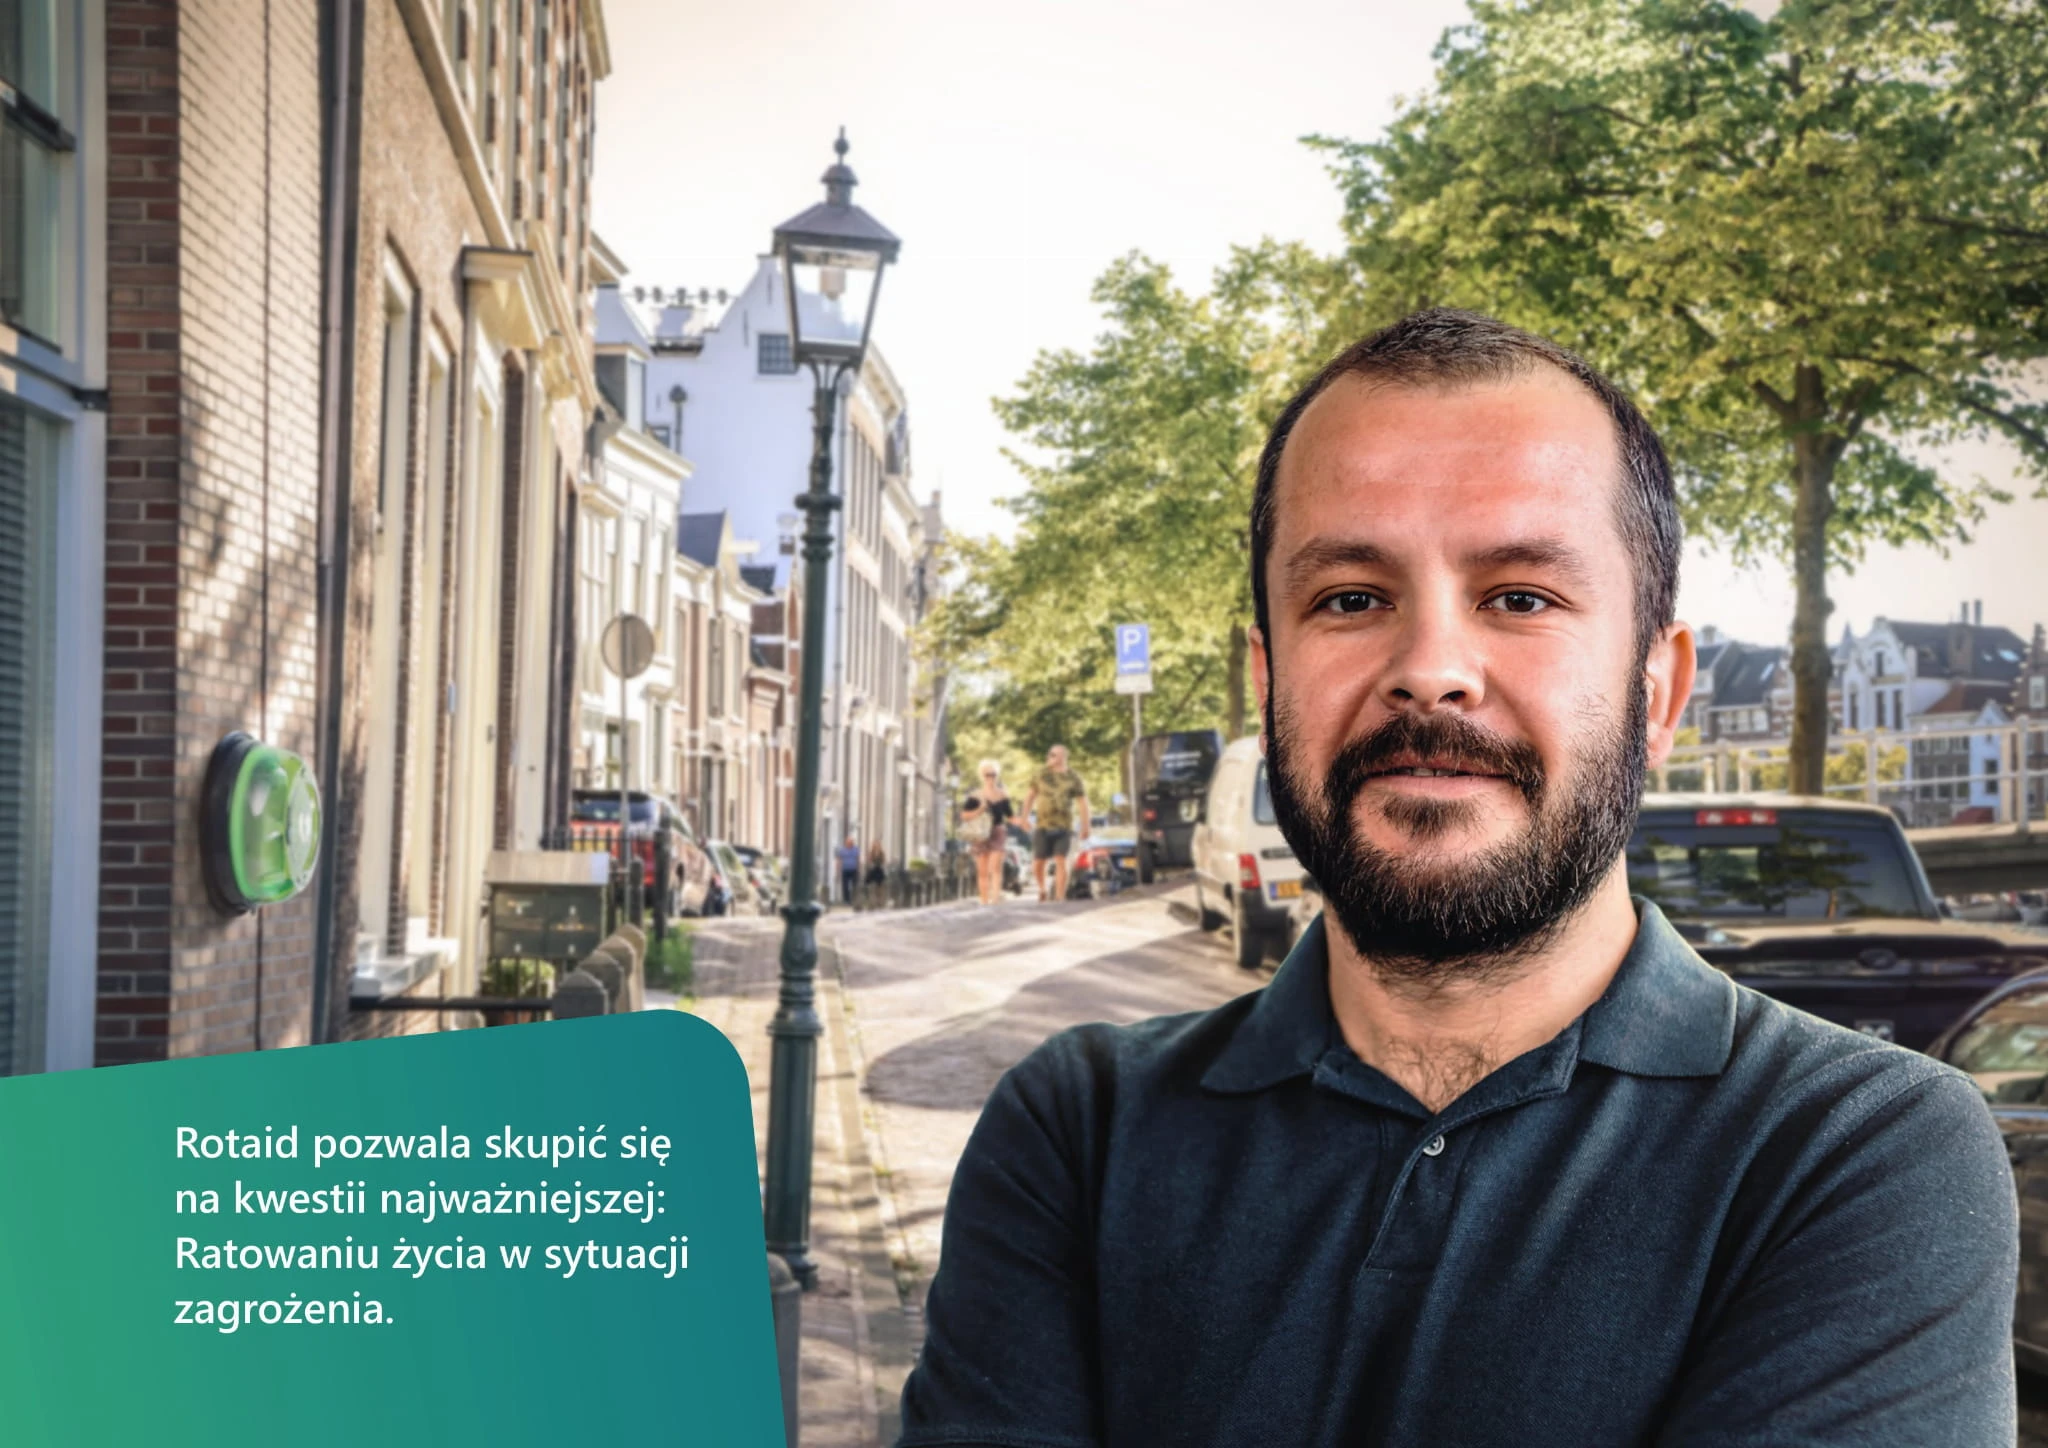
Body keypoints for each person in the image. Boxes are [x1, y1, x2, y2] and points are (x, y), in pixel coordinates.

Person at [898, 310, 2017, 1446]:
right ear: (1269, 679)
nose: (1429, 671)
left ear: (1659, 692)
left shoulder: (1856, 1151)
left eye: (1520, 596)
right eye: (1349, 598)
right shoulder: (1079, 1132)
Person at [1021, 744, 1090, 903]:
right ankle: (1042, 889)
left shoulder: (1073, 777)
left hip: (1064, 826)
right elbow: (1030, 797)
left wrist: (1086, 825)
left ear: (1063, 757)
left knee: (1061, 860)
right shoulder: (1040, 774)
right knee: (1039, 862)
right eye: (1049, 754)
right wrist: (1024, 817)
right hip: (1042, 825)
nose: (1049, 757)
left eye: (1053, 755)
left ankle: (1060, 896)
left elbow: (1082, 802)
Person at [959, 760, 1014, 905]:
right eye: (987, 775)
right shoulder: (975, 796)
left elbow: (1010, 816)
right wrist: (980, 809)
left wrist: (1024, 822)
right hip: (980, 833)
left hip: (998, 831)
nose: (990, 778)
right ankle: (984, 900)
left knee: (995, 867)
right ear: (982, 776)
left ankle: (995, 899)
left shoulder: (1003, 795)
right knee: (982, 870)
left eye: (993, 774)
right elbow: (964, 816)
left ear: (997, 775)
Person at [835, 834, 860, 907]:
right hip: (845, 870)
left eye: (851, 842)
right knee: (845, 886)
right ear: (846, 843)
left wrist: (859, 869)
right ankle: (846, 900)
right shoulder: (842, 850)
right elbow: (839, 860)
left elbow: (858, 860)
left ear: (852, 843)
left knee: (854, 885)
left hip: (853, 870)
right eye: (848, 842)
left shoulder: (856, 850)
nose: (849, 844)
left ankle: (854, 899)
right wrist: (838, 871)